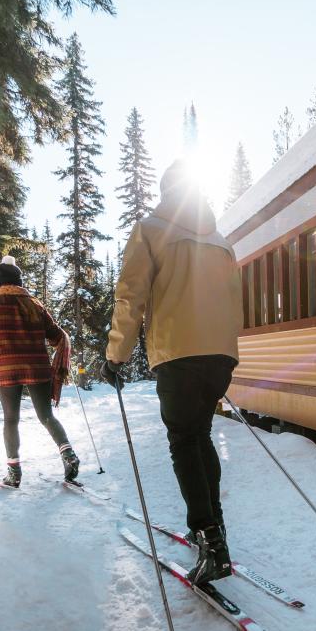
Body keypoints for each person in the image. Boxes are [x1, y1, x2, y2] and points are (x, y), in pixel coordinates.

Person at [102, 160, 243, 585]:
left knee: (184, 440)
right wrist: (223, 348)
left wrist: (116, 355)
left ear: (167, 192)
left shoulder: (151, 229)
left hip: (179, 353)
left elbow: (131, 296)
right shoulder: (220, 240)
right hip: (220, 354)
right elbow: (234, 297)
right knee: (199, 436)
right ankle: (213, 529)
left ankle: (210, 539)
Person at [0, 256, 78, 488]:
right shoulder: (34, 305)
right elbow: (58, 338)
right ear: (19, 281)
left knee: (11, 419)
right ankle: (68, 455)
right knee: (46, 416)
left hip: (6, 369)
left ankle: (14, 473)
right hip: (37, 367)